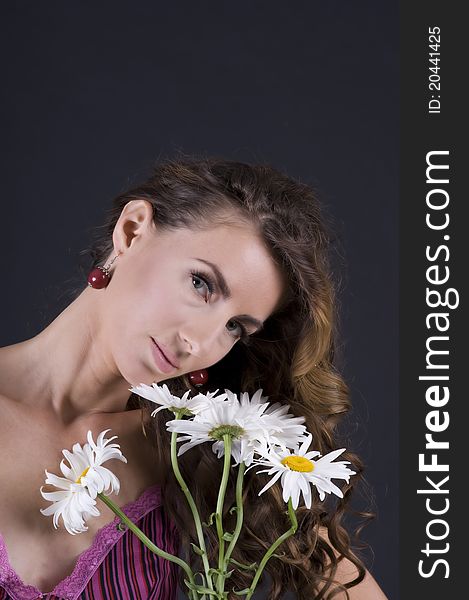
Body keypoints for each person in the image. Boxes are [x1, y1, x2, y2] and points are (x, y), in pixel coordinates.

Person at [0, 156, 388, 599]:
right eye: (202, 284)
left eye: (235, 327)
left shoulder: (203, 458)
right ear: (132, 232)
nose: (199, 342)